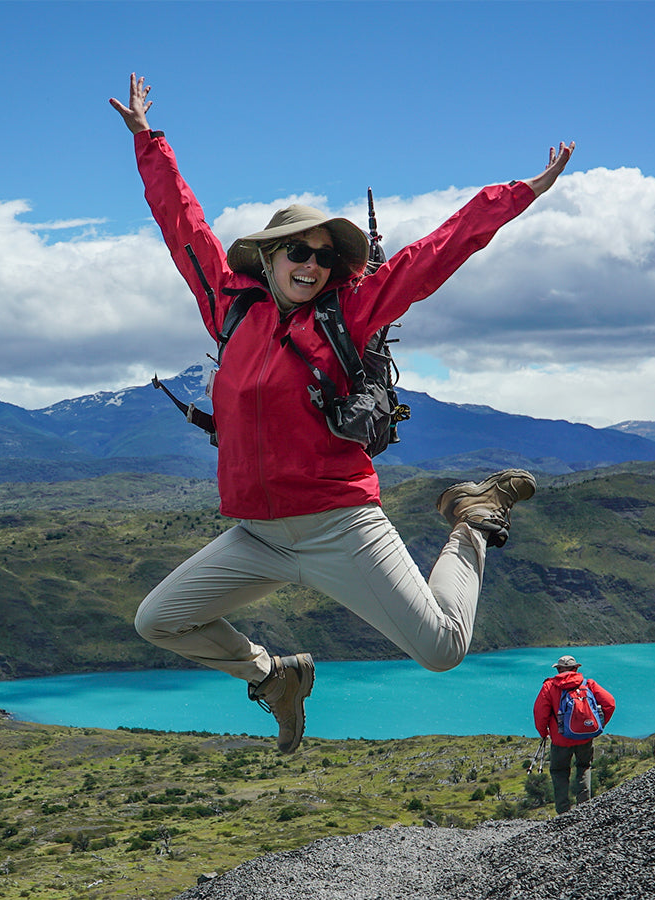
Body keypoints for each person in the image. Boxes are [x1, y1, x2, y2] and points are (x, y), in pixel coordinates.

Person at [110, 72, 574, 753]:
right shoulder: (229, 307)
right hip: (258, 535)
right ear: (267, 257)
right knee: (159, 619)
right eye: (297, 250)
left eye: (325, 257)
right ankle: (273, 676)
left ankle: (474, 520)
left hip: (339, 525)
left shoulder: (346, 316)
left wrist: (517, 196)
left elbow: (431, 256)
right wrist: (149, 140)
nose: (312, 264)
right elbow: (182, 222)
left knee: (443, 648)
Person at [533, 654, 618, 813]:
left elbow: (540, 713)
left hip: (560, 740)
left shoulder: (549, 687)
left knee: (559, 772)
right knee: (584, 767)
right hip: (585, 737)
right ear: (575, 668)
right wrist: (599, 724)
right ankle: (584, 808)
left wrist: (543, 732)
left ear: (558, 669)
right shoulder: (588, 684)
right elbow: (610, 703)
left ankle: (563, 812)